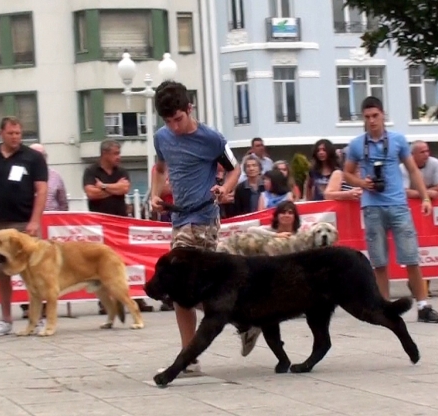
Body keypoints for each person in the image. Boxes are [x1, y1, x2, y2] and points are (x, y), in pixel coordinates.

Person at [150, 80, 259, 376]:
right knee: (196, 291)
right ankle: (245, 321)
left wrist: (225, 188)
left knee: (179, 288)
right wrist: (155, 194)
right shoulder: (162, 137)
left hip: (203, 219)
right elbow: (159, 168)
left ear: (189, 108)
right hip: (178, 219)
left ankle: (189, 357)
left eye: (178, 119)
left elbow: (236, 167)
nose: (174, 126)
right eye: (168, 121)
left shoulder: (211, 138)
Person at [343, 96, 438, 324]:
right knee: (378, 261)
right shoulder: (357, 144)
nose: (372, 121)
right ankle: (383, 308)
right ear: (363, 119)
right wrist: (362, 183)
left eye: (375, 116)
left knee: (411, 258)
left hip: (398, 204)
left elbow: (413, 170)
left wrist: (425, 197)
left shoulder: (398, 140)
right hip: (372, 206)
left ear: (383, 115)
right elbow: (346, 173)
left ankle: (424, 306)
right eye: (367, 117)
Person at [0, 116, 48, 336]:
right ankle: (5, 320)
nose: (15, 137)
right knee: (0, 273)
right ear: (1, 134)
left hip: (26, 223)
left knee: (35, 271)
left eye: (18, 133)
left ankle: (38, 317)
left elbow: (41, 190)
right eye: (11, 133)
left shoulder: (33, 157)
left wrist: (35, 220)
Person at [82, 139, 153, 313]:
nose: (118, 157)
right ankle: (106, 302)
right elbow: (91, 193)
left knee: (127, 261)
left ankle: (136, 297)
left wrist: (104, 187)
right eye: (115, 153)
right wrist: (114, 188)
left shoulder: (121, 171)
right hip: (100, 225)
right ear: (104, 154)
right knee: (103, 264)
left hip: (121, 223)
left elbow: (125, 189)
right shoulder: (91, 171)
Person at [19, 144, 69, 320]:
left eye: (41, 155)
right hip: (30, 227)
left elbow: (63, 202)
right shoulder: (22, 175)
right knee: (29, 268)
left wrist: (61, 221)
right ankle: (29, 307)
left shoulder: (55, 176)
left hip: (51, 229)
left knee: (49, 271)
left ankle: (49, 306)